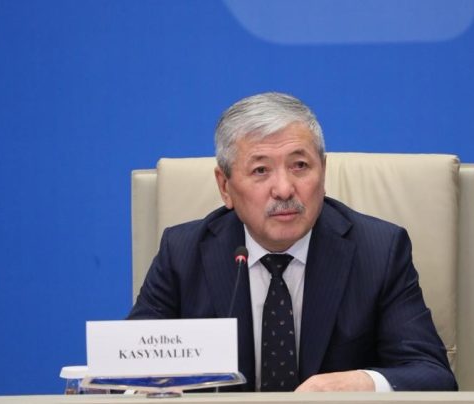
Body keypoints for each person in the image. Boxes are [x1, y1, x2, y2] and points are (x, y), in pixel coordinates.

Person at [128, 92, 457, 392]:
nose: (284, 190)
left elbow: (433, 375)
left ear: (323, 172)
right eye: (260, 170)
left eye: (300, 166)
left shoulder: (380, 251)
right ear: (225, 187)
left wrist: (361, 382)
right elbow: (125, 373)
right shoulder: (183, 253)